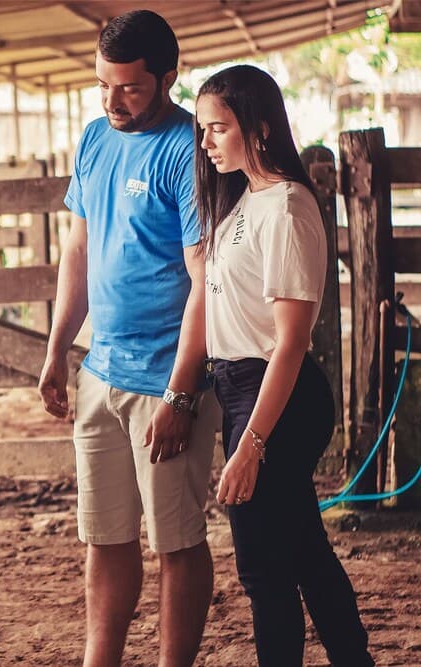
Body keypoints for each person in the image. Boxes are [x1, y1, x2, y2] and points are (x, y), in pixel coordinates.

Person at [38, 9, 219, 667]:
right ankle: (101, 659)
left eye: (130, 88)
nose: (113, 101)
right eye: (104, 85)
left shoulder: (188, 149)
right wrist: (58, 347)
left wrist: (182, 391)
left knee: (175, 540)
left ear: (167, 78)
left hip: (164, 379)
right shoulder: (93, 139)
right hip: (101, 370)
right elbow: (79, 250)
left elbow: (207, 280)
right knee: (105, 537)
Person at [195, 64, 373, 666]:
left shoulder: (289, 209)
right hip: (242, 388)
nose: (207, 142)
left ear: (260, 127)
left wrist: (251, 444)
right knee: (300, 553)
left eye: (218, 128)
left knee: (264, 568)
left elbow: (291, 341)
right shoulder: (246, 199)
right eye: (203, 129)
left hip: (277, 394)